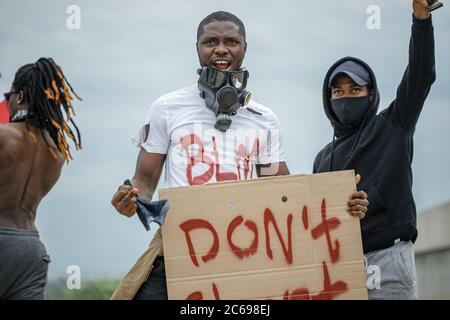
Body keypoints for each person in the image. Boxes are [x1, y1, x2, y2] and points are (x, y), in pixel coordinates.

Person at [111, 11, 367, 300]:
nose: (221, 48)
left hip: (242, 250)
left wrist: (340, 203)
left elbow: (282, 192)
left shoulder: (264, 118)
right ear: (197, 48)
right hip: (179, 246)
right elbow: (144, 180)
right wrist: (133, 200)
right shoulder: (167, 107)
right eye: (210, 41)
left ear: (244, 48)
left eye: (231, 41)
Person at [313, 0, 436, 300]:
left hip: (389, 260)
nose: (345, 97)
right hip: (339, 266)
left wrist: (420, 20)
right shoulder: (322, 159)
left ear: (371, 95)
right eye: (338, 91)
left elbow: (420, 77)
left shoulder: (393, 125)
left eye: (355, 90)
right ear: (328, 100)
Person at [0, 58, 82, 300]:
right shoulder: (56, 153)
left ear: (20, 96)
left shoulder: (3, 136)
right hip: (30, 250)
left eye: (9, 96)